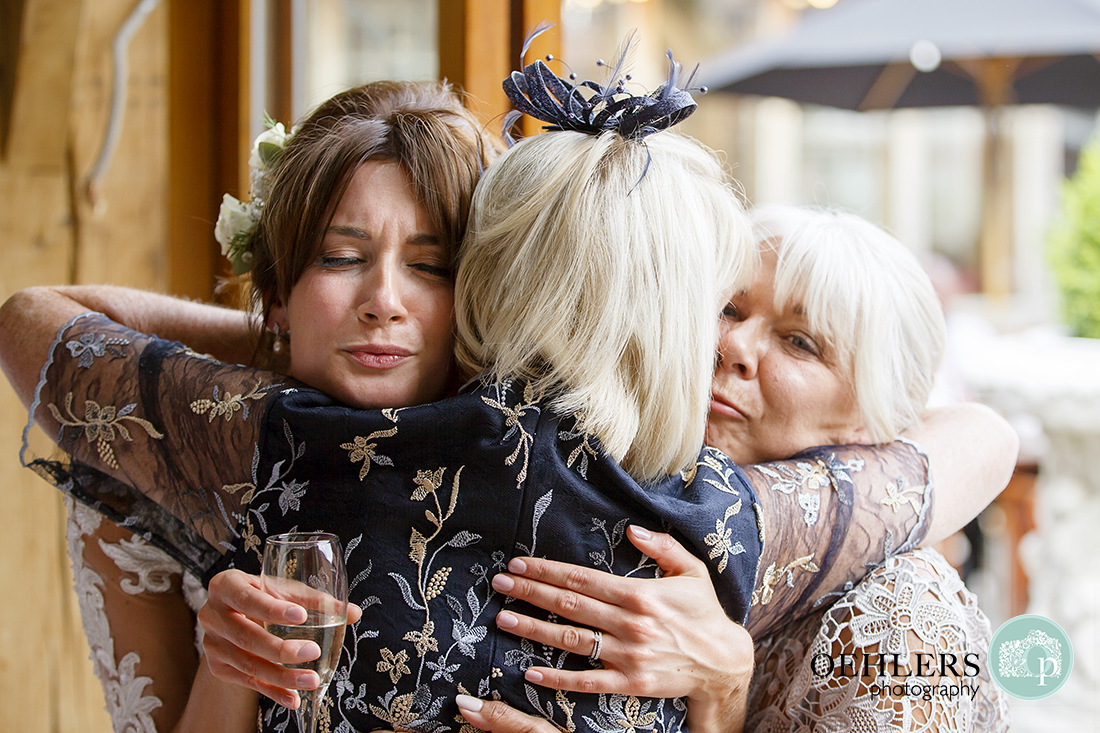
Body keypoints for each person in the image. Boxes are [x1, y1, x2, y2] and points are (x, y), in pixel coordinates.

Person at [0, 61, 1013, 733]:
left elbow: (36, 324)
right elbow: (968, 448)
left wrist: (289, 337)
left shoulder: (283, 439)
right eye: (720, 309)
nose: (384, 305)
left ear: (484, 284)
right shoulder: (720, 514)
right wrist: (283, 337)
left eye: (430, 268)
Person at [464, 206, 1011, 733]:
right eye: (730, 309)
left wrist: (723, 695)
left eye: (801, 342)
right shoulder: (596, 478)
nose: (734, 346)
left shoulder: (896, 617)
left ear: (871, 424)